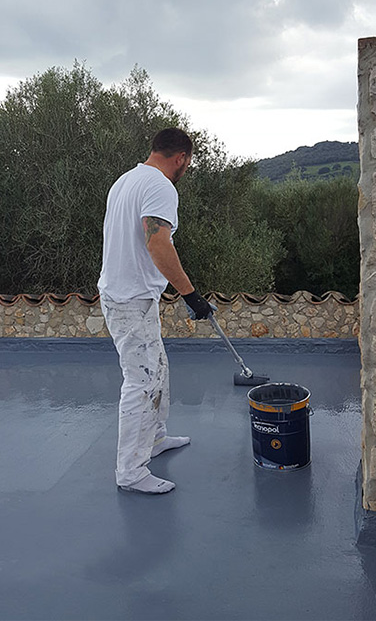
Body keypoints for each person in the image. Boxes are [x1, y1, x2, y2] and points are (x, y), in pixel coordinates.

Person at [97, 127, 212, 494]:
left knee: (158, 368)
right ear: (181, 158)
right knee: (141, 381)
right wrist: (191, 295)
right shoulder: (162, 187)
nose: (186, 169)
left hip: (128, 295)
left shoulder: (126, 181)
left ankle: (155, 437)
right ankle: (130, 471)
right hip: (130, 299)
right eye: (188, 164)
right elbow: (157, 243)